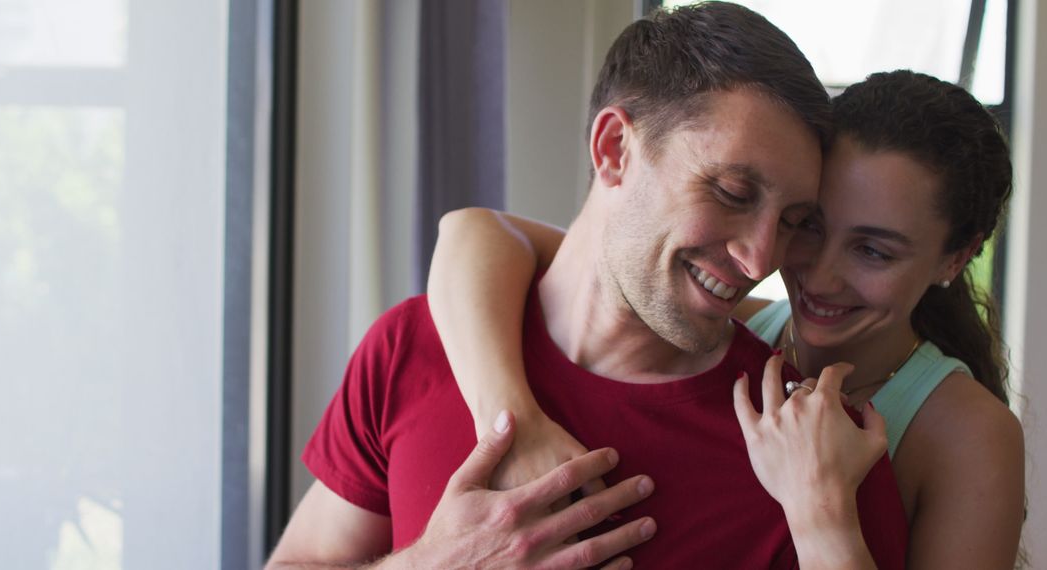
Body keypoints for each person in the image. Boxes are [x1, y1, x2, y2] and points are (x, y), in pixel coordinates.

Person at [267, 3, 909, 568]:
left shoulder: (822, 456)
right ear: (613, 150)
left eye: (793, 223)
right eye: (732, 193)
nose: (759, 257)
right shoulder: (412, 346)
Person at [429, 70, 1025, 567]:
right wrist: (514, 423)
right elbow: (473, 231)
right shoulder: (735, 321)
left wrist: (820, 508)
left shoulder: (970, 435)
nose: (818, 277)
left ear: (956, 256)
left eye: (873, 251)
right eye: (809, 225)